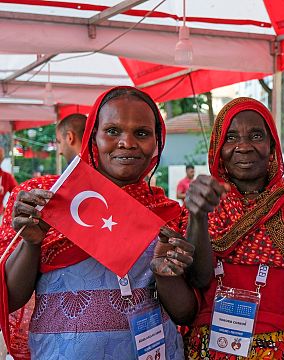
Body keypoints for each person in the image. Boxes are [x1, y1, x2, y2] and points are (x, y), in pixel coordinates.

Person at [0, 86, 197, 359]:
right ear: (93, 137)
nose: (127, 142)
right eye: (113, 131)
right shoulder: (49, 200)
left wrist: (167, 277)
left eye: (141, 133)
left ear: (157, 142)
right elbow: (9, 298)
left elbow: (186, 313)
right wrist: (30, 243)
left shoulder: (170, 214)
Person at [182, 97, 284, 359]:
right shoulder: (205, 202)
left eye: (256, 135)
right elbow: (198, 279)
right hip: (210, 347)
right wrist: (197, 218)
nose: (243, 147)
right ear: (218, 148)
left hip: (282, 349)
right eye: (231, 138)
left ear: (271, 145)